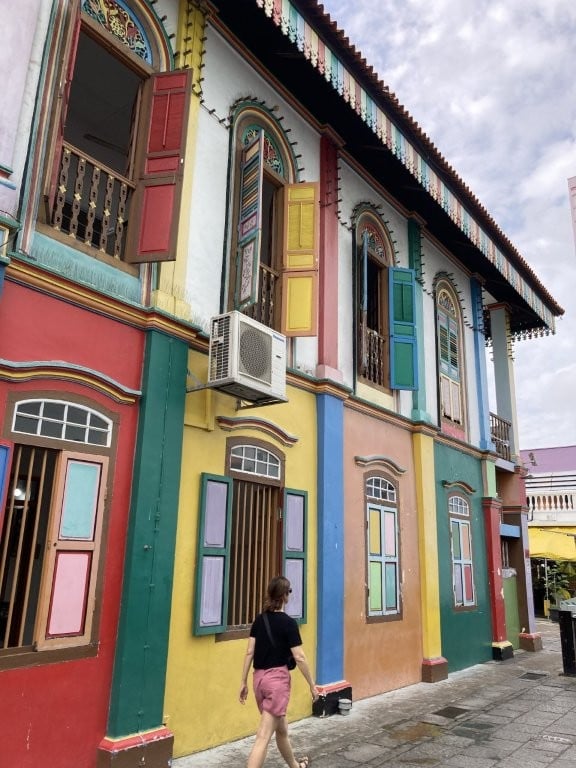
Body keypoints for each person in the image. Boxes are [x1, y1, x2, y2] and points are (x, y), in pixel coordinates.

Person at [239, 576, 319, 768]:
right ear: (285, 596)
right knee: (263, 737)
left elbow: (250, 651)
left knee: (281, 730)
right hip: (277, 683)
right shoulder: (289, 624)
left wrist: (242, 682)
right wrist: (312, 685)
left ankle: (294, 765)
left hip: (258, 681)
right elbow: (299, 657)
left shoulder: (259, 620)